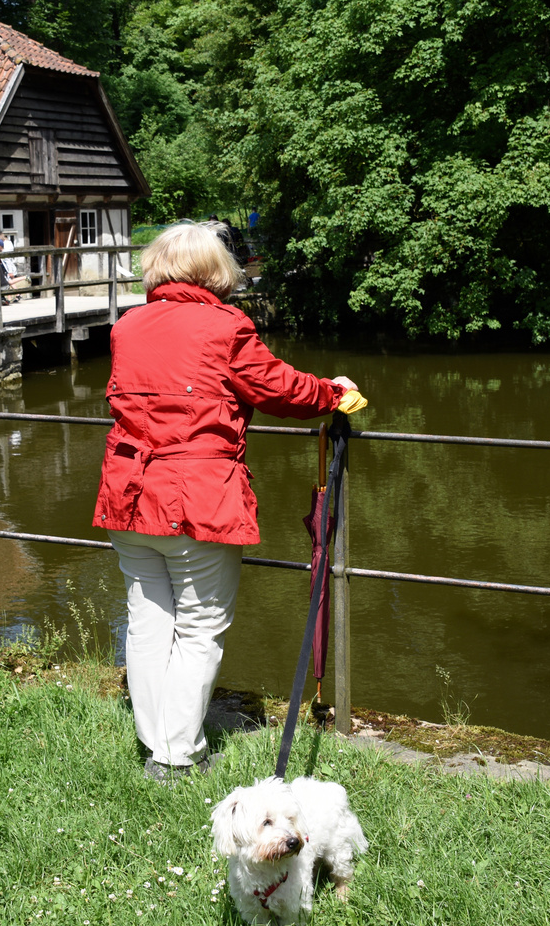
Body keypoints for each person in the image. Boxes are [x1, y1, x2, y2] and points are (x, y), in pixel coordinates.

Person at [92, 223, 359, 782]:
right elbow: (279, 389)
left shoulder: (127, 325)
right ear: (215, 271)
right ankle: (177, 755)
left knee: (147, 622)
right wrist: (335, 393)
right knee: (199, 625)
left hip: (130, 494)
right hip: (195, 498)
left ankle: (156, 744)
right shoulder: (223, 326)